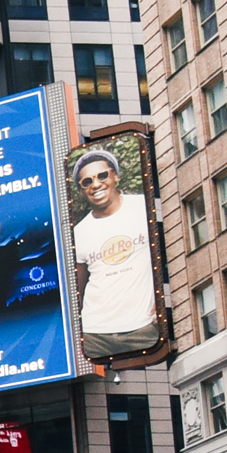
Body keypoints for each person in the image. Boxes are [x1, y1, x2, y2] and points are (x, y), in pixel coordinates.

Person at [69, 146, 161, 361]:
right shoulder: (79, 233)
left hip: (143, 329)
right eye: (87, 181)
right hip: (94, 334)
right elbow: (78, 289)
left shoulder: (144, 208)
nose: (96, 185)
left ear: (115, 176)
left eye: (102, 175)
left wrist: (161, 306)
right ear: (82, 190)